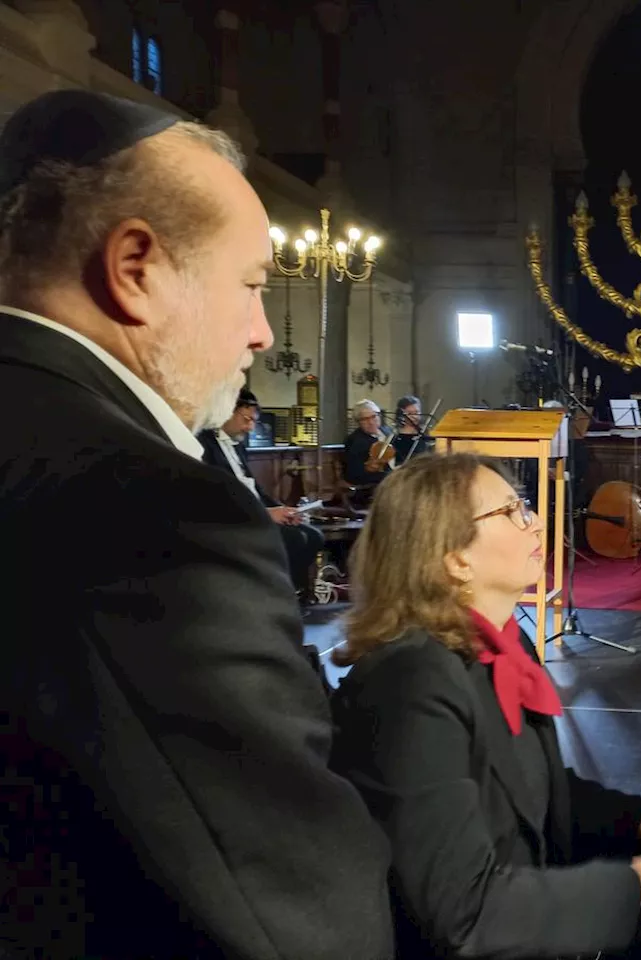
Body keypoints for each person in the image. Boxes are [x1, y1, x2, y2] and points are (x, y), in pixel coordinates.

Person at [0, 90, 392, 958]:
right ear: (135, 267)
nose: (260, 334)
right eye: (252, 286)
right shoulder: (153, 506)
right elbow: (295, 901)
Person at [330, 454, 641, 959]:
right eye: (512, 511)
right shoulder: (408, 684)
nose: (536, 520)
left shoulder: (501, 646)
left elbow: (533, 789)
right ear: (455, 558)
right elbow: (465, 914)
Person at [199, 387, 326, 598]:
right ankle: (270, 598)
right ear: (228, 411)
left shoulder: (238, 445)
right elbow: (216, 497)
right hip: (233, 520)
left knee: (314, 536)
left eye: (253, 421)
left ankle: (287, 595)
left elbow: (254, 489)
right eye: (246, 419)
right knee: (295, 540)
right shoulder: (204, 444)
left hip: (257, 512)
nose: (250, 427)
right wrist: (267, 514)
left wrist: (281, 509)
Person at [391, 393, 435, 464]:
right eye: (410, 413)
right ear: (401, 414)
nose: (415, 416)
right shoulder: (395, 437)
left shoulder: (425, 432)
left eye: (417, 412)